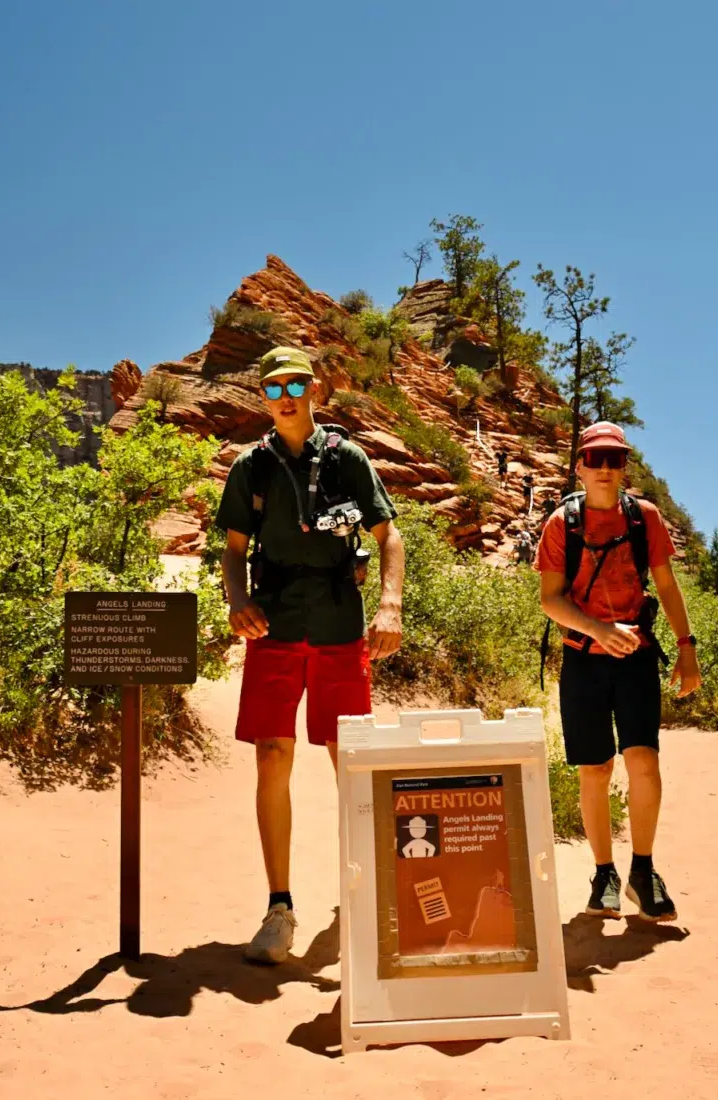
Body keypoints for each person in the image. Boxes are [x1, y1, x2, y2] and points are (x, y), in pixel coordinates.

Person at [216, 346, 405, 964]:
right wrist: (237, 598)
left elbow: (389, 536)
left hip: (338, 624)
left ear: (316, 390)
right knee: (273, 754)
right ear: (263, 399)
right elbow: (234, 548)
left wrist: (390, 606)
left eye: (296, 385)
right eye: (274, 389)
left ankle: (367, 889)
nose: (286, 396)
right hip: (274, 622)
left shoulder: (348, 458)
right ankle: (280, 908)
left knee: (346, 757)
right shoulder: (252, 466)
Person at [534, 421, 701, 923]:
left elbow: (667, 587)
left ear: (624, 466)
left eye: (616, 459)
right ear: (581, 466)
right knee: (595, 768)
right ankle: (604, 872)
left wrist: (687, 646)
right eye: (597, 459)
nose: (606, 468)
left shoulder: (642, 517)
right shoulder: (562, 524)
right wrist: (597, 630)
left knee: (644, 761)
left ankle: (642, 871)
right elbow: (550, 599)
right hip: (583, 659)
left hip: (636, 657)